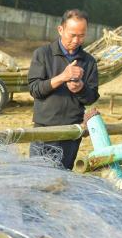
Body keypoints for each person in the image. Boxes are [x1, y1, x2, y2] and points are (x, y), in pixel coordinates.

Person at [26, 9, 99, 169]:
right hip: (44, 129)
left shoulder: (89, 61)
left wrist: (80, 88)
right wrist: (61, 77)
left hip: (71, 130)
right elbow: (34, 89)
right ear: (61, 30)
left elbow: (92, 97)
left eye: (81, 35)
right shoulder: (43, 54)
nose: (76, 40)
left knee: (62, 177)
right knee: (36, 175)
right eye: (72, 34)